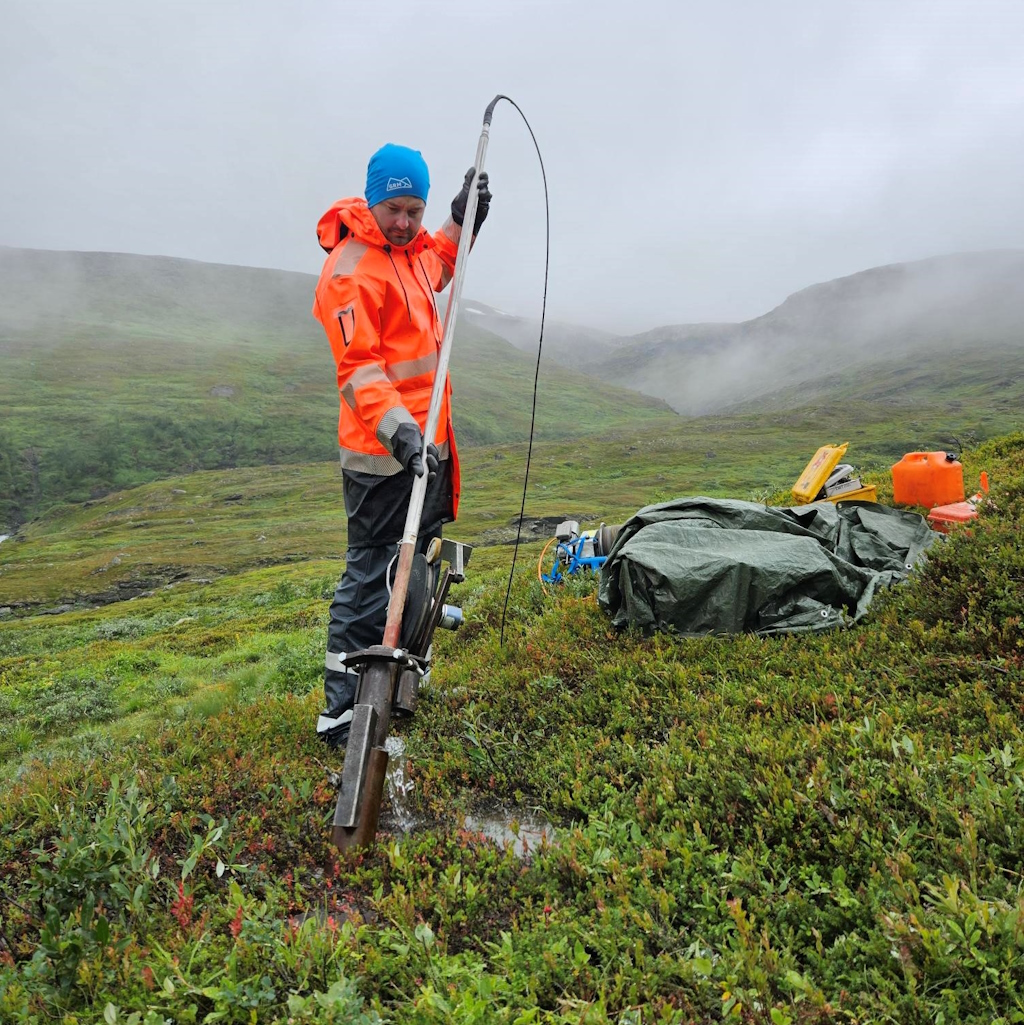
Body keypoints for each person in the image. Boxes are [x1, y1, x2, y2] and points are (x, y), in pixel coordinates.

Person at [311, 143, 491, 749]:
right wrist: (401, 433)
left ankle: (398, 682)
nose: (407, 222)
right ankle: (341, 711)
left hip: (426, 451)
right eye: (395, 209)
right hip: (382, 455)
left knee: (412, 569)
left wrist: (461, 220)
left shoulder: (408, 253)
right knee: (369, 577)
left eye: (416, 209)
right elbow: (358, 368)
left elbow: (436, 266)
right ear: (372, 201)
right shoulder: (351, 270)